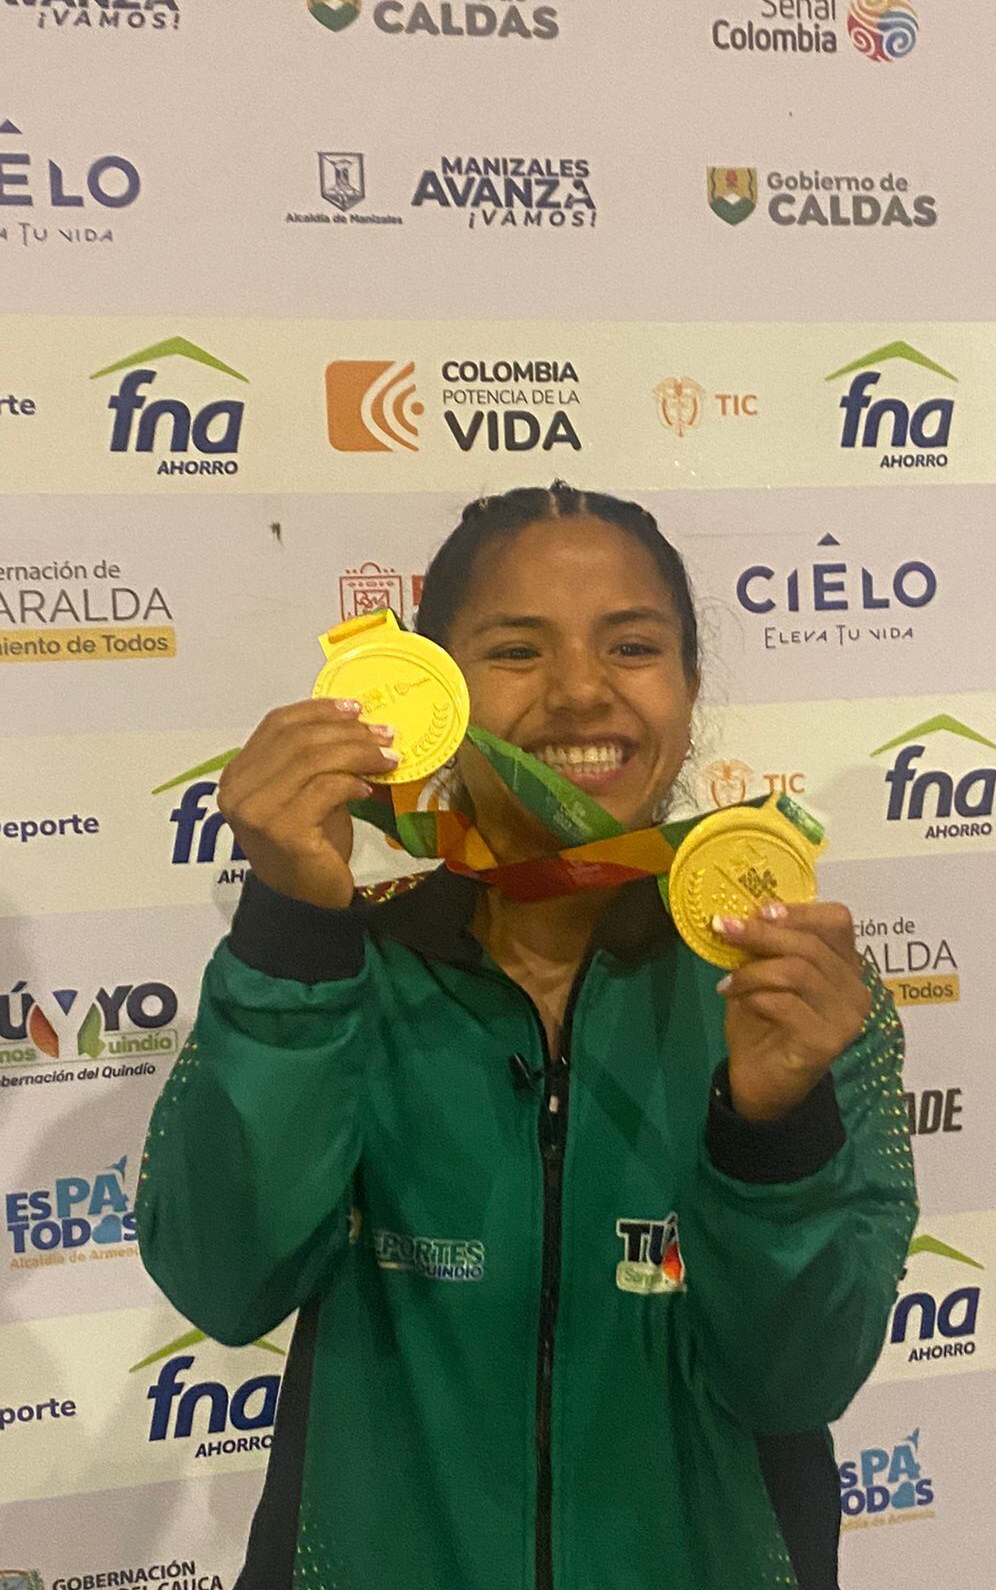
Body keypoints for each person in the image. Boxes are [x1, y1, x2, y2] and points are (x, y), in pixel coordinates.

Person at [136, 482, 917, 1590]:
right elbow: (225, 1284)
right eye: (516, 650)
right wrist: (293, 934)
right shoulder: (338, 971)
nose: (582, 691)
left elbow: (797, 1382)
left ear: (691, 686)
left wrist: (771, 1129)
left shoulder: (797, 997)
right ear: (437, 694)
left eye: (633, 646)